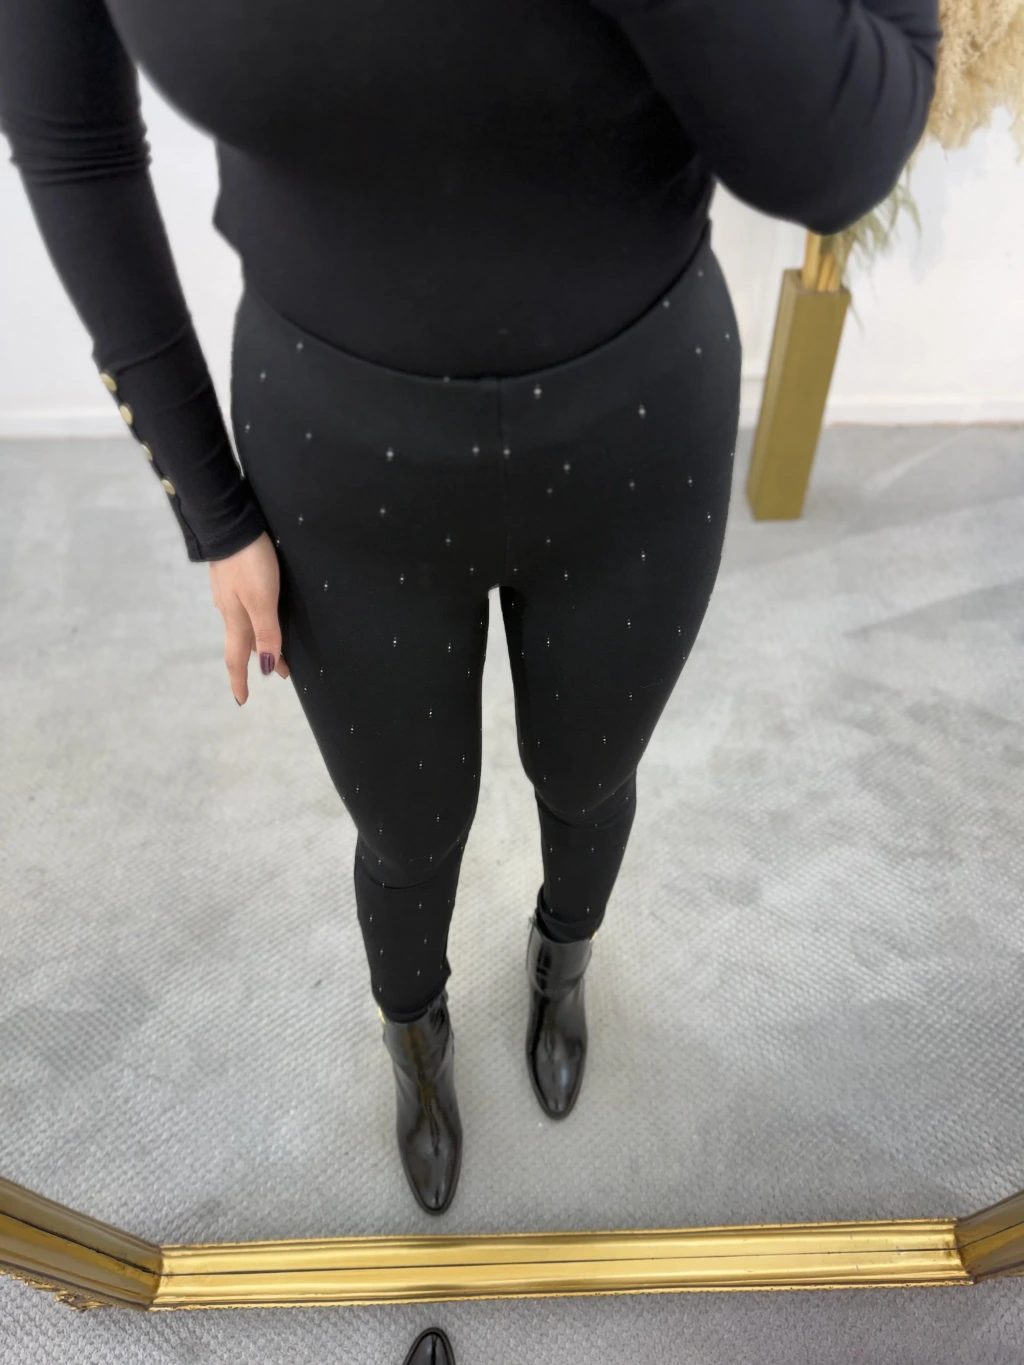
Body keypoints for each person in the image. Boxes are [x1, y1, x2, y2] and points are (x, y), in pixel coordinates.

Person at [0, 0, 941, 1216]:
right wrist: (213, 509)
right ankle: (417, 1039)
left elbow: (841, 147)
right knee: (406, 829)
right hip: (336, 461)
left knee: (590, 775)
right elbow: (70, 136)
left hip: (636, 432)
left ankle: (562, 962)